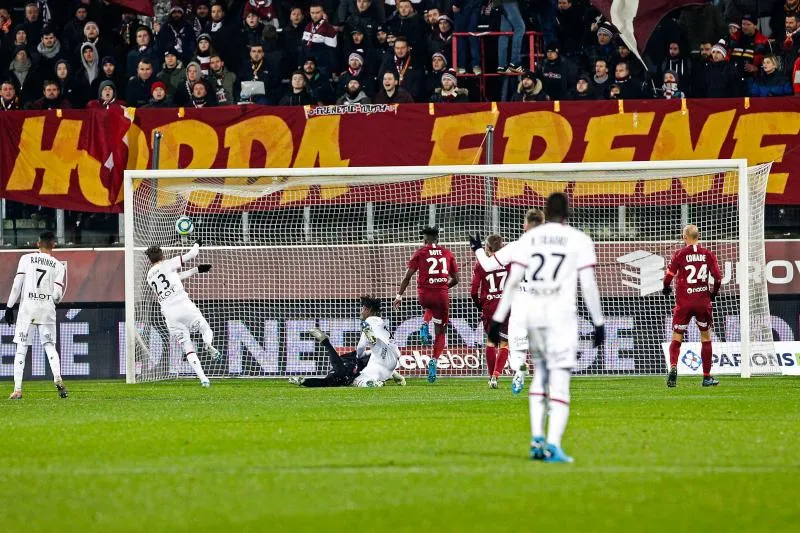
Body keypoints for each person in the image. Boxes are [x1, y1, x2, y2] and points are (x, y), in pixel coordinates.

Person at [488, 193, 605, 463]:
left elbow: (513, 281)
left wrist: (497, 319)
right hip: (560, 318)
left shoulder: (527, 240)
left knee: (540, 374)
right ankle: (553, 445)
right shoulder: (579, 239)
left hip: (532, 315)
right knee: (559, 382)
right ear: (567, 214)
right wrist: (598, 322)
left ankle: (536, 439)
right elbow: (588, 285)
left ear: (544, 212)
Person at [470, 208, 543, 394]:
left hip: (518, 302)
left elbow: (487, 265)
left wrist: (477, 248)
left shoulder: (515, 247)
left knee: (513, 345)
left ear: (524, 226)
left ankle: (518, 371)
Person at [3, 231, 68, 399]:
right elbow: (57, 295)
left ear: (37, 243)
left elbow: (17, 284)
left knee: (21, 349)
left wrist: (9, 307)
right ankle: (58, 378)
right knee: (49, 345)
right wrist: (52, 299)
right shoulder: (58, 265)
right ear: (54, 244)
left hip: (28, 309)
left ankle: (17, 389)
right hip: (46, 309)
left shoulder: (26, 259)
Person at [144, 242, 219, 387]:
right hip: (183, 304)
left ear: (150, 260)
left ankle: (204, 379)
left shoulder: (149, 276)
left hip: (169, 313)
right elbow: (192, 254)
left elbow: (176, 277)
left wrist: (196, 270)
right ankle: (208, 344)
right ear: (162, 255)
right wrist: (197, 244)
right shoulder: (167, 264)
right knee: (205, 328)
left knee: (187, 346)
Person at [291, 296, 405, 387]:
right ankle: (382, 379)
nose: (361, 311)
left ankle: (377, 380)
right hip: (390, 360)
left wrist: (358, 356)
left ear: (367, 309)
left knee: (355, 378)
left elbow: (361, 347)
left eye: (362, 309)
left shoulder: (372, 320)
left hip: (380, 355)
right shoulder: (381, 323)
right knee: (359, 378)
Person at [393, 226, 459, 383]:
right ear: (438, 239)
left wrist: (399, 296)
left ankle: (424, 323)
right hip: (441, 297)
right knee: (440, 333)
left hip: (424, 296)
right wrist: (442, 286)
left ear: (424, 240)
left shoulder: (420, 253)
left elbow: (408, 276)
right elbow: (456, 279)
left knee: (430, 305)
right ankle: (434, 361)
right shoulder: (448, 253)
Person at [662, 225, 723, 388]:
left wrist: (666, 288)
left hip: (684, 302)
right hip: (702, 301)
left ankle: (673, 367)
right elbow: (718, 278)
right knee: (705, 337)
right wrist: (713, 294)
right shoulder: (707, 254)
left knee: (677, 336)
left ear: (684, 237)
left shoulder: (680, 254)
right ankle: (706, 377)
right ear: (699, 236)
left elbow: (668, 277)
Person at [471, 234, 510, 389]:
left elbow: (473, 291)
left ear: (487, 248)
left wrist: (479, 305)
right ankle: (495, 376)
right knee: (505, 343)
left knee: (491, 342)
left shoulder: (481, 264)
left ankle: (490, 376)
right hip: (506, 306)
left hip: (489, 306)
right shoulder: (509, 263)